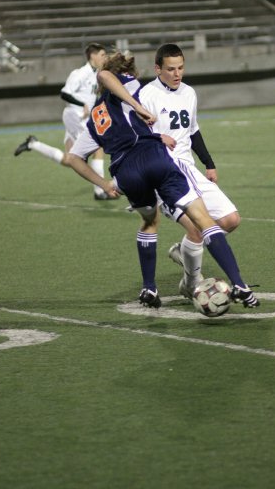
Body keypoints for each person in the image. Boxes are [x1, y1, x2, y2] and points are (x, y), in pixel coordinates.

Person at [67, 50, 260, 310]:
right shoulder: (132, 86)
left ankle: (149, 287)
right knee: (202, 221)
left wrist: (104, 185)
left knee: (150, 222)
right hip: (156, 159)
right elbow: (106, 75)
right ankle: (238, 284)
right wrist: (139, 108)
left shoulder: (95, 119)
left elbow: (74, 158)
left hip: (125, 172)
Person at [138, 43, 240, 298]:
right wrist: (156, 137)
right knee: (196, 229)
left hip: (190, 169)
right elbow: (132, 135)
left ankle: (185, 253)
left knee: (230, 220)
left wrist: (209, 163)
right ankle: (190, 283)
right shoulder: (145, 95)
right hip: (162, 174)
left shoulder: (189, 93)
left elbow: (192, 130)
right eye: (171, 69)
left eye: (181, 67)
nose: (177, 73)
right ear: (157, 69)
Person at [14, 43, 109, 199]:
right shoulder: (80, 73)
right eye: (102, 55)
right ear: (93, 55)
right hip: (76, 116)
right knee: (98, 148)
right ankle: (100, 191)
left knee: (70, 160)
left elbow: (91, 96)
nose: (104, 58)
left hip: (80, 118)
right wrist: (82, 105)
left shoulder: (95, 74)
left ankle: (33, 144)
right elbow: (64, 94)